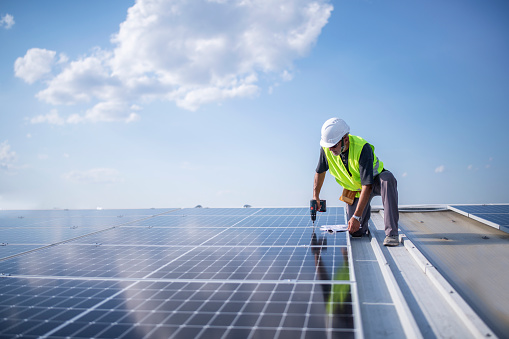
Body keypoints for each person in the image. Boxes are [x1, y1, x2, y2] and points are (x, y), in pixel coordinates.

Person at [313, 117, 399, 246]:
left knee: (388, 180)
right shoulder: (327, 149)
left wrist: (357, 217)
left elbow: (367, 185)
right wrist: (316, 196)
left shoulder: (362, 148)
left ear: (345, 139)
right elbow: (320, 172)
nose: (331, 150)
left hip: (374, 182)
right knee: (356, 231)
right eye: (328, 146)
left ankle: (392, 233)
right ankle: (363, 219)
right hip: (354, 189)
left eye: (334, 146)